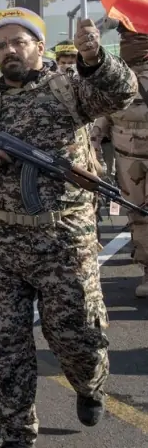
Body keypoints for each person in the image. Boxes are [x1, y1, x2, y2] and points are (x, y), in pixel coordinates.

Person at [0, 9, 135, 447]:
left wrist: (95, 59)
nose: (9, 51)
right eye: (1, 45)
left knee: (77, 338)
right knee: (4, 347)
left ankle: (89, 383)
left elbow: (120, 93)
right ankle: (16, 433)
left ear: (39, 46)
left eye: (19, 42)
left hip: (64, 239)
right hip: (0, 242)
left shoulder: (67, 89)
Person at [90, 24, 148, 298]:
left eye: (135, 37)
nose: (127, 42)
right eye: (124, 37)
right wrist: (93, 145)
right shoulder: (115, 78)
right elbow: (101, 116)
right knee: (137, 216)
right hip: (127, 160)